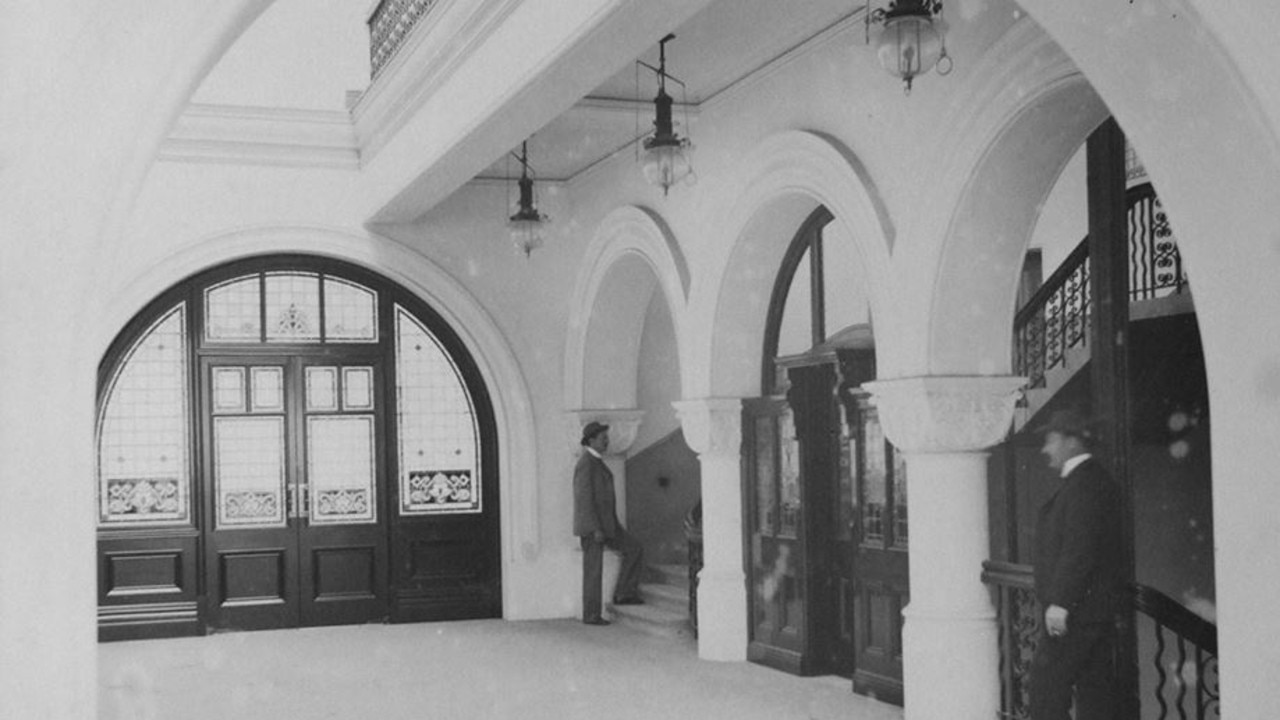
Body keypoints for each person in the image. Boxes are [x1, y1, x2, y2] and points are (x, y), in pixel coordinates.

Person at [1029, 408, 1124, 720]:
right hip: (1087, 612)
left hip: (1075, 615)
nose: (1046, 449)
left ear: (1071, 442)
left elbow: (1079, 550)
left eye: (1051, 441)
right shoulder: (1088, 481)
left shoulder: (1085, 485)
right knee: (1095, 694)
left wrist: (1060, 603)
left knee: (1046, 693)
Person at [573, 421, 645, 626]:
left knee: (634, 548)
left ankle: (624, 593)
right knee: (593, 571)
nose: (607, 441)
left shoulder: (595, 461)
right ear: (592, 440)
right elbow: (583, 499)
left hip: (608, 525)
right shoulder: (586, 463)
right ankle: (591, 615)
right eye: (603, 438)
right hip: (594, 527)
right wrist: (595, 528)